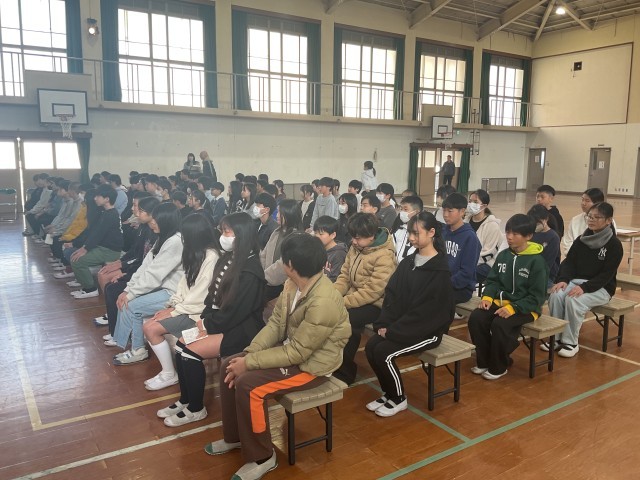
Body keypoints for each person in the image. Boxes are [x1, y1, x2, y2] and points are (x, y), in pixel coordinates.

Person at [205, 233, 350, 480]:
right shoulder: (293, 284)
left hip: (313, 367)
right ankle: (235, 437)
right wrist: (250, 353)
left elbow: (298, 353)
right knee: (229, 364)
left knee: (249, 385)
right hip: (294, 352)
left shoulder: (323, 300)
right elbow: (274, 325)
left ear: (290, 265)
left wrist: (249, 363)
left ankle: (263, 456)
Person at [157, 212, 266, 427]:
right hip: (222, 321)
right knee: (180, 345)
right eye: (222, 231)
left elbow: (237, 312)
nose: (223, 236)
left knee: (189, 352)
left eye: (227, 231)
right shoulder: (228, 258)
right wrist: (205, 318)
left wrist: (208, 324)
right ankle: (186, 399)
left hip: (242, 329)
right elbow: (212, 295)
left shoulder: (251, 270)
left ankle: (196, 409)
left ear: (242, 234)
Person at [365, 211, 454, 416]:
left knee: (384, 353)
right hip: (402, 327)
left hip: (427, 332)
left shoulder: (439, 271)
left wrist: (394, 331)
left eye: (416, 233)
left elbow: (428, 313)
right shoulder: (408, 262)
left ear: (431, 232)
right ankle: (389, 393)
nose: (411, 238)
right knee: (371, 346)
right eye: (410, 233)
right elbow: (392, 295)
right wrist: (384, 323)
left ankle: (399, 398)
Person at [141, 214, 220, 391]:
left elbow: (200, 297)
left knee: (151, 329)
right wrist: (172, 305)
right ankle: (168, 372)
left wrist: (174, 311)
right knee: (149, 324)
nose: (182, 238)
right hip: (186, 308)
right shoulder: (193, 253)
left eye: (185, 234)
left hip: (198, 313)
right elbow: (183, 285)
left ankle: (169, 374)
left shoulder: (212, 257)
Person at [468, 214, 548, 380]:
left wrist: (514, 308)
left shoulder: (537, 262)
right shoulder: (504, 255)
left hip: (526, 308)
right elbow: (493, 280)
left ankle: (499, 366)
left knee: (500, 324)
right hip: (501, 302)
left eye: (515, 234)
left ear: (528, 236)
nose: (509, 237)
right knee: (476, 318)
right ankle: (484, 361)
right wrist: (487, 297)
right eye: (508, 232)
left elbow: (537, 297)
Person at [547, 202, 623, 358]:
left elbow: (606, 275)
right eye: (589, 216)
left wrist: (585, 288)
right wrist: (563, 280)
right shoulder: (581, 240)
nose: (591, 220)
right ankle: (556, 338)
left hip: (601, 288)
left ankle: (571, 342)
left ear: (608, 220)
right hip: (576, 282)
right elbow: (569, 263)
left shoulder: (614, 244)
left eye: (597, 217)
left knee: (573, 300)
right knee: (556, 294)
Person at [112, 203, 184, 365]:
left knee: (131, 306)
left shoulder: (175, 241)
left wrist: (131, 294)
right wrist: (128, 290)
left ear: (166, 221)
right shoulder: (163, 239)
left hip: (174, 293)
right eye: (153, 219)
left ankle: (137, 349)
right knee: (126, 300)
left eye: (156, 220)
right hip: (163, 288)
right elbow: (145, 267)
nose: (152, 223)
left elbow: (154, 275)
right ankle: (134, 346)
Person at [333, 212, 396, 385]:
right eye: (353, 237)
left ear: (372, 236)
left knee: (346, 319)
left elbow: (372, 292)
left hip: (377, 304)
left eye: (358, 238)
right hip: (356, 297)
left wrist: (342, 302)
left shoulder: (384, 255)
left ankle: (345, 372)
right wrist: (333, 295)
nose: (353, 241)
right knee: (329, 311)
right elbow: (344, 276)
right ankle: (331, 362)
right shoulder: (356, 248)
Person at [100, 196, 159, 335]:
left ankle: (118, 328)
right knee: (106, 278)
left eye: (137, 207)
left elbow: (146, 263)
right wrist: (120, 264)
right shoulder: (144, 228)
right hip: (136, 269)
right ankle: (114, 314)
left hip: (142, 274)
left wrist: (125, 272)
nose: (133, 209)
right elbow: (136, 253)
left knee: (111, 286)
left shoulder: (156, 233)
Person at [69, 185, 124, 299]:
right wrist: (84, 247)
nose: (95, 198)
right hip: (103, 248)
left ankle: (90, 289)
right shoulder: (106, 212)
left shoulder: (110, 215)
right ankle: (84, 283)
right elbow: (95, 233)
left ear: (107, 199)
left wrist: (85, 249)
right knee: (75, 256)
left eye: (98, 196)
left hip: (109, 251)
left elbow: (98, 235)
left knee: (77, 261)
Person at [441, 193, 481, 304]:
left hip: (461, 289)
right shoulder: (443, 232)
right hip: (442, 283)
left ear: (462, 211)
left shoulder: (470, 237)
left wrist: (444, 283)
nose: (445, 215)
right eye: (444, 210)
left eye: (450, 211)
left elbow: (466, 272)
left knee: (432, 298)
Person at [260, 199, 301, 302]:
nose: (277, 216)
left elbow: (283, 264)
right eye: (277, 212)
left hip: (282, 284)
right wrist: (261, 273)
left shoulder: (296, 236)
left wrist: (263, 277)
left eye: (280, 213)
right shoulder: (277, 232)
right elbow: (264, 254)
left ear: (289, 214)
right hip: (266, 279)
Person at [467, 189, 503, 284]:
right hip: (466, 260)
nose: (471, 204)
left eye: (475, 202)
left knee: (466, 275)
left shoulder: (492, 225)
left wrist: (467, 263)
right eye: (470, 201)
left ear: (484, 206)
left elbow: (488, 253)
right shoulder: (465, 222)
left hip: (485, 263)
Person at [561, 188, 606, 256]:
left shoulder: (606, 221)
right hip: (574, 257)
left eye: (587, 201)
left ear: (597, 203)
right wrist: (573, 255)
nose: (583, 203)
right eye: (582, 200)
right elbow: (568, 242)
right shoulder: (575, 220)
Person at [528, 204, 560, 288]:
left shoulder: (553, 237)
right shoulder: (530, 233)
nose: (535, 225)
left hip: (545, 276)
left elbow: (547, 264)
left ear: (546, 219)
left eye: (538, 222)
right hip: (527, 271)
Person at [314, 215, 348, 282]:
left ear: (333, 235)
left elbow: (336, 279)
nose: (317, 236)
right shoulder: (317, 248)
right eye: (315, 233)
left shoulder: (339, 254)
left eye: (321, 234)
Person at [392, 195, 423, 264]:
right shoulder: (399, 230)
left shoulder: (422, 232)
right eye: (401, 209)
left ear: (416, 212)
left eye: (405, 209)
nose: (402, 212)